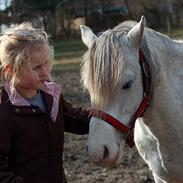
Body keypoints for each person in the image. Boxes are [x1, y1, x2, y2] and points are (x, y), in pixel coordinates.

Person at [0, 23, 92, 183]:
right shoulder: (4, 112)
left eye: (47, 63)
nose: (45, 72)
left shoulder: (51, 95)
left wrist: (101, 118)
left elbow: (73, 118)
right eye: (36, 67)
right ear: (10, 70)